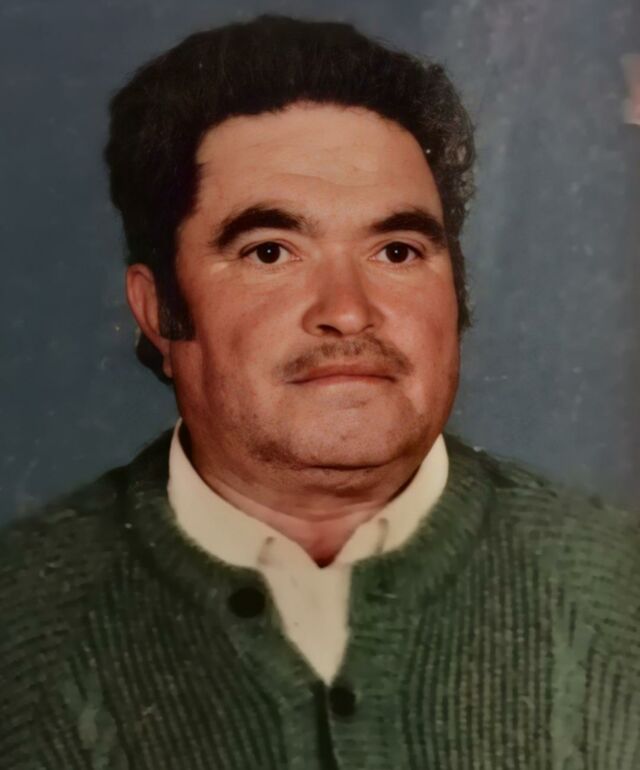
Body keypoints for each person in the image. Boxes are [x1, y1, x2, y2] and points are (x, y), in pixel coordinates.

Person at [1, 13, 638, 769]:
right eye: (271, 252)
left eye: (396, 250)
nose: (348, 311)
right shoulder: (21, 621)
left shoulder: (618, 589)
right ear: (157, 309)